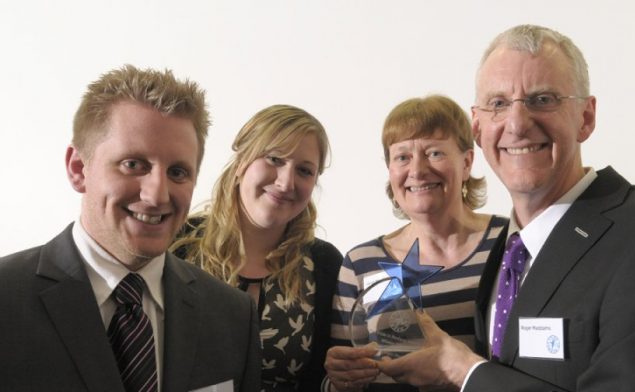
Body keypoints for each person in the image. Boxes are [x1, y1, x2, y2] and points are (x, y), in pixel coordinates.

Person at [378, 24, 635, 391]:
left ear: (586, 117)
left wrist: (461, 368)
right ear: (478, 128)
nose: (517, 124)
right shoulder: (508, 248)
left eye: (542, 99)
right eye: (499, 104)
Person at [0, 65, 261, 392]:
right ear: (79, 168)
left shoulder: (233, 317)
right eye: (134, 165)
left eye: (178, 172)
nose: (157, 195)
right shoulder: (6, 300)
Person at [324, 95, 508, 391]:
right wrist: (340, 379)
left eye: (434, 153)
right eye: (402, 157)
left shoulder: (511, 242)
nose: (418, 170)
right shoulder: (361, 263)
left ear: (467, 162)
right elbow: (339, 381)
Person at [172, 104, 343, 392]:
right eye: (274, 159)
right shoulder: (178, 243)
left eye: (304, 170)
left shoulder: (324, 264)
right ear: (241, 163)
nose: (286, 182)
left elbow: (326, 379)